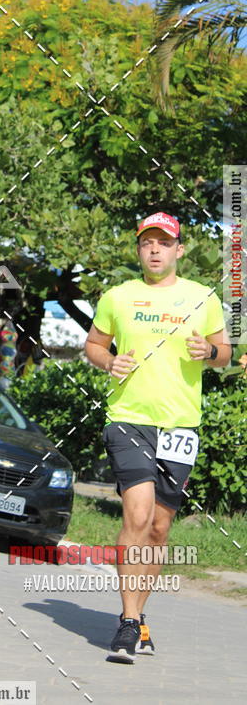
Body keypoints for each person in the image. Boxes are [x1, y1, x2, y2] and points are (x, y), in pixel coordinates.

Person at [84, 211, 231, 664]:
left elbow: (225, 353)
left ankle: (140, 614)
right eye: (147, 242)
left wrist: (209, 351)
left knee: (160, 527)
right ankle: (127, 623)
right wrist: (109, 362)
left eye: (163, 243)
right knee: (138, 513)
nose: (154, 249)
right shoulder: (117, 296)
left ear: (178, 250)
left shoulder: (202, 297)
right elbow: (93, 345)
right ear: (138, 248)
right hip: (127, 417)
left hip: (181, 425)